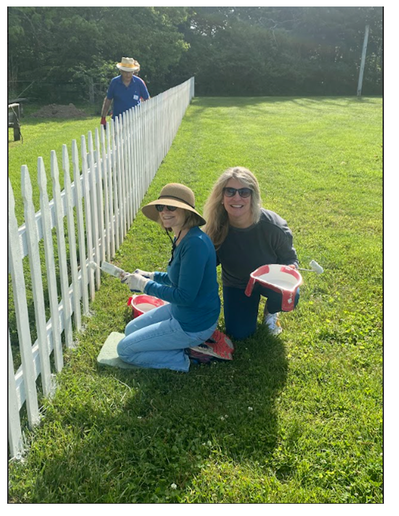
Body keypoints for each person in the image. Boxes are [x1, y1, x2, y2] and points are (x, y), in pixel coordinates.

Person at [117, 183, 224, 372]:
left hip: (192, 324)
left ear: (186, 212)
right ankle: (180, 345)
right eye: (161, 207)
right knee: (129, 331)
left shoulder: (195, 244)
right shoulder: (181, 235)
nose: (165, 212)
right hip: (181, 312)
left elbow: (184, 296)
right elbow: (179, 278)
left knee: (125, 350)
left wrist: (144, 285)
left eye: (171, 207)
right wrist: (150, 276)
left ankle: (184, 357)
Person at [203, 166, 299, 340]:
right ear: (221, 197)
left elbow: (289, 258)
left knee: (290, 295)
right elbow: (207, 263)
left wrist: (290, 270)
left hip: (270, 281)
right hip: (237, 283)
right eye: (230, 191)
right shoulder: (216, 227)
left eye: (244, 192)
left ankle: (271, 312)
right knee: (239, 334)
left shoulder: (274, 226)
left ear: (253, 196)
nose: (237, 197)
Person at [100, 57, 150, 125]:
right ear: (121, 71)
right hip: (118, 120)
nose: (128, 75)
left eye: (130, 72)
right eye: (125, 72)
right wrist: (103, 117)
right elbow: (108, 100)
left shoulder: (139, 83)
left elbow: (147, 100)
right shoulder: (114, 82)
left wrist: (146, 115)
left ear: (133, 71)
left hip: (135, 120)